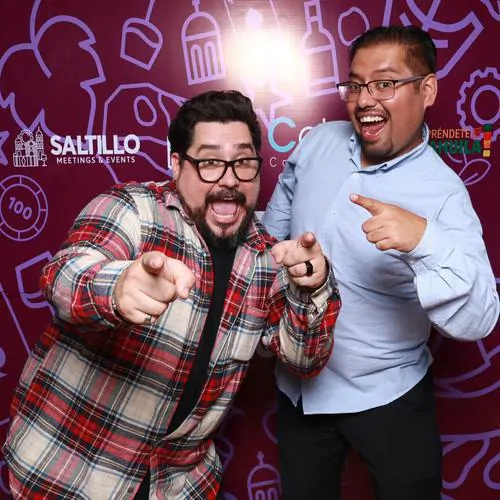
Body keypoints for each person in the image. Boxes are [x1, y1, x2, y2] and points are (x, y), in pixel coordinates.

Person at [3, 90, 341, 499]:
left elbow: (305, 359)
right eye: (210, 162)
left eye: (243, 162)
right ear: (177, 165)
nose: (229, 179)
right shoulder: (134, 209)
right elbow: (66, 275)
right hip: (69, 474)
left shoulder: (266, 260)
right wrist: (117, 288)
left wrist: (312, 287)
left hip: (178, 484)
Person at [263, 25, 499, 500]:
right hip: (301, 388)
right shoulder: (318, 142)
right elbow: (273, 231)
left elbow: (482, 319)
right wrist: (277, 260)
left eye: (385, 84)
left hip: (388, 395)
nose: (365, 100)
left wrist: (424, 240)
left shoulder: (443, 193)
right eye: (356, 84)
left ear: (426, 90)